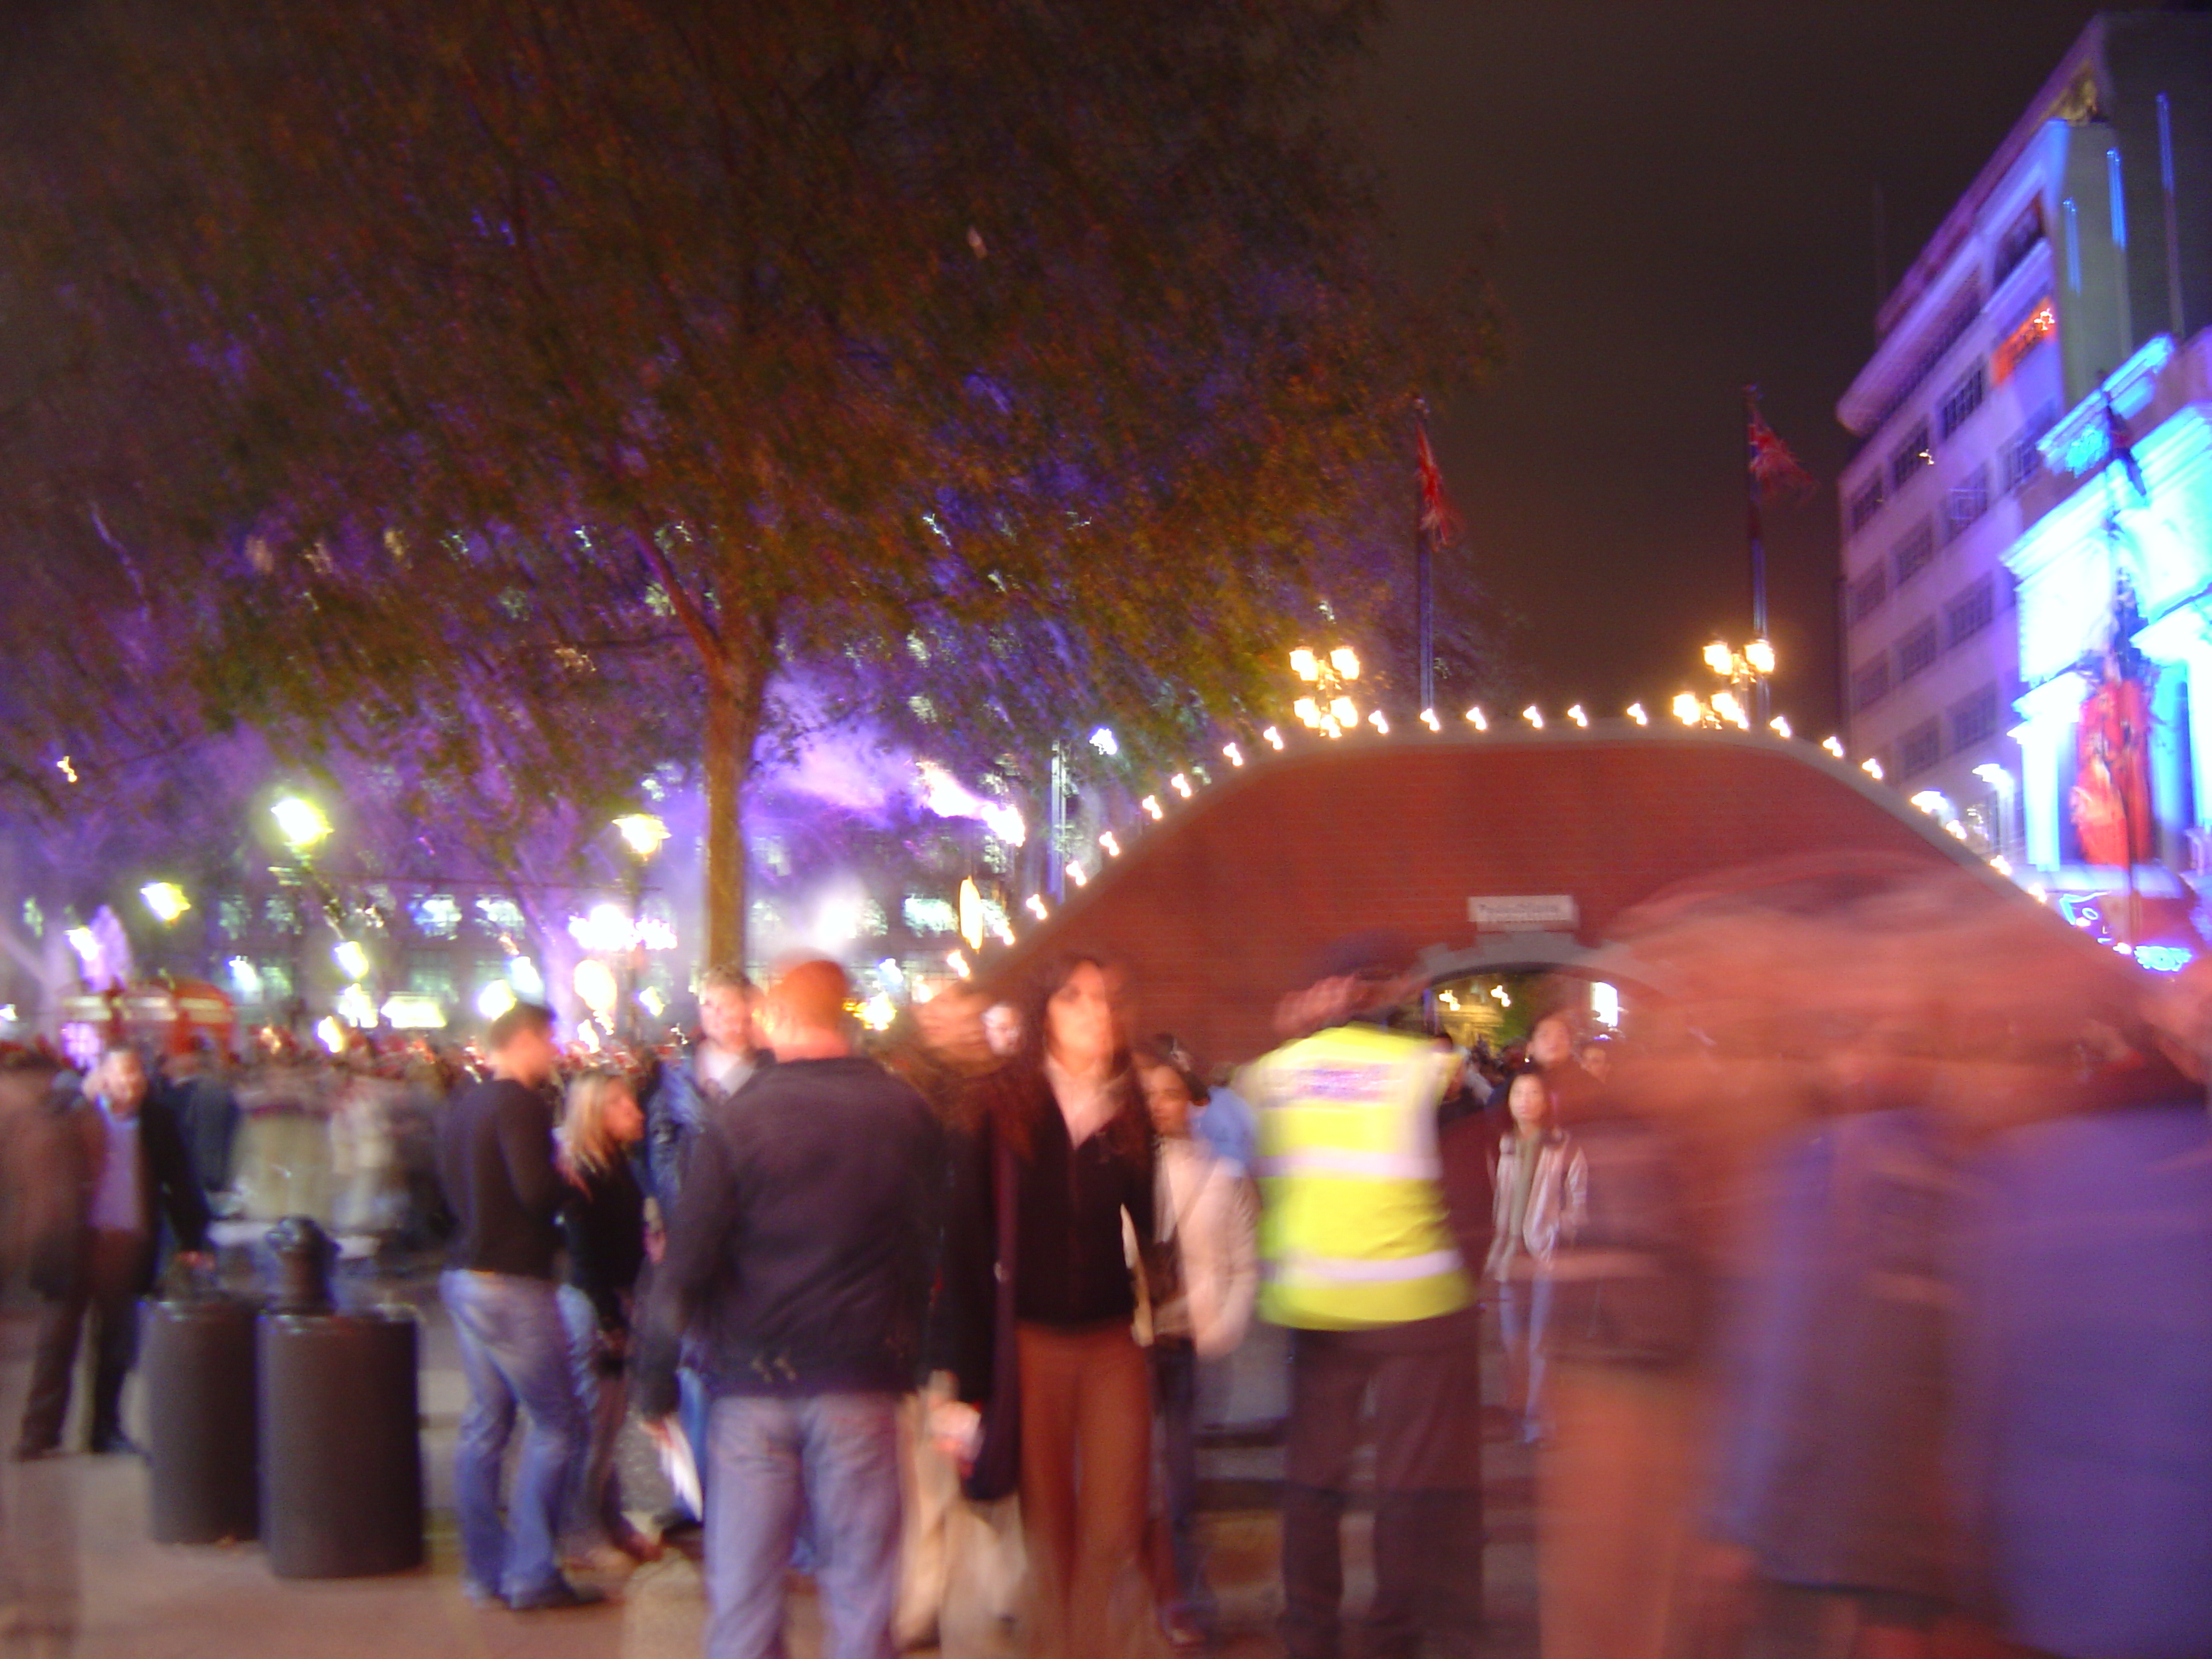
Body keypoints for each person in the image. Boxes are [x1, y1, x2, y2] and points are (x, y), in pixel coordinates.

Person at [637, 958, 945, 1659]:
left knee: (744, 1600)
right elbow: (927, 1247)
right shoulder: (905, 1113)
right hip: (859, 1378)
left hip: (752, 1382)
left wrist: (655, 1379)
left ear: (778, 1017)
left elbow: (689, 1258)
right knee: (862, 1597)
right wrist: (919, 1358)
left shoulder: (741, 1118)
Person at [1242, 934, 1485, 1659]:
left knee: (1314, 1479)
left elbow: (1250, 1169)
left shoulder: (1271, 1074)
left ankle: (1309, 1631)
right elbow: (1470, 1149)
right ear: (1377, 990)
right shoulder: (1424, 1068)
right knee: (1406, 1482)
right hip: (1416, 1304)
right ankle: (1392, 1633)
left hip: (1317, 1304)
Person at [946, 957, 1158, 1659]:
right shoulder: (1000, 1107)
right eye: (1074, 997)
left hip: (1112, 1340)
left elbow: (1149, 1226)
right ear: (1044, 1013)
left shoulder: (1128, 1107)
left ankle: (1095, 1642)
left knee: (1115, 1524)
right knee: (1049, 1527)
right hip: (1030, 1342)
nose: (1095, 1011)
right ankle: (1057, 1643)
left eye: (1103, 998)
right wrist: (969, 1383)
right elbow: (966, 1245)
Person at [440, 1001, 596, 1612]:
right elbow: (535, 1191)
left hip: (466, 1275)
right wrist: (568, 1182)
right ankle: (533, 1571)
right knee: (559, 1423)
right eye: (549, 1040)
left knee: (486, 1424)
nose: (555, 1052)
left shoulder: (463, 1105)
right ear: (526, 1039)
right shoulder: (521, 1105)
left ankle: (485, 1569)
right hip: (513, 1282)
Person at [16, 1040, 209, 1459]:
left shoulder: (156, 1121)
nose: (131, 1083)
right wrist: (76, 1095)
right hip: (75, 1244)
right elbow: (42, 1123)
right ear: (102, 1076)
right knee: (57, 1342)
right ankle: (39, 1431)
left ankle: (105, 1430)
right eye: (122, 1073)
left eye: (136, 1073)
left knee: (116, 1344)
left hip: (126, 1244)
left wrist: (193, 1239)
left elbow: (179, 1180)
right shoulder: (75, 1112)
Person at [1138, 1049, 1258, 1649]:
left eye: (1169, 1093)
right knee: (1136, 1479)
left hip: (1191, 1342)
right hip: (1134, 1343)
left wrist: (1221, 1329)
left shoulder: (1223, 1175)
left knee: (1183, 1481)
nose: (1159, 1105)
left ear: (1193, 1102)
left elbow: (1244, 1264)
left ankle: (1187, 1597)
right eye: (1148, 1095)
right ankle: (1154, 1596)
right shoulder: (1125, 1173)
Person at [643, 963, 765, 1529]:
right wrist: (676, 1213)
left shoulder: (769, 1074)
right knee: (692, 1363)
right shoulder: (678, 1077)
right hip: (694, 1233)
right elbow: (659, 1147)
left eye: (727, 1004)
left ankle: (746, 1492)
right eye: (709, 1005)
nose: (718, 1016)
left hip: (754, 1237)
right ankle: (696, 1494)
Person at [558, 1068, 659, 1566]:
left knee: (609, 1424)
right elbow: (584, 1253)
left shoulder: (619, 1163)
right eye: (620, 1104)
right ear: (594, 1112)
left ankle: (608, 1521)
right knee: (594, 1427)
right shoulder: (585, 1172)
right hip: (595, 1305)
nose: (634, 1112)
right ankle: (581, 1533)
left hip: (616, 1298)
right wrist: (608, 1317)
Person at [1484, 1070, 1569, 1444]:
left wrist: (1555, 1228)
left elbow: (1578, 1198)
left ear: (1546, 1101)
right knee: (1511, 1341)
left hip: (1544, 1256)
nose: (1525, 1101)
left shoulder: (1562, 1144)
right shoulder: (1501, 1145)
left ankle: (1538, 1418)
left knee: (1540, 1342)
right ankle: (1514, 1410)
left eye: (1534, 1093)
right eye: (1519, 1093)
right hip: (1508, 1255)